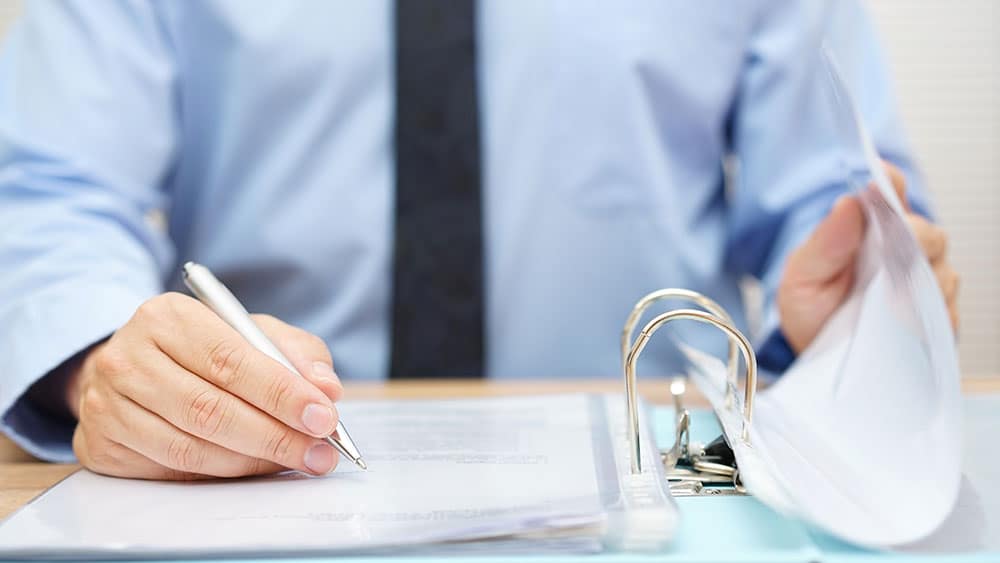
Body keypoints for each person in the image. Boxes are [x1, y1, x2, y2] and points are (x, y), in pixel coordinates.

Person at [0, 1, 959, 480]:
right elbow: (48, 194)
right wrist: (105, 362)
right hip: (260, 476)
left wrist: (853, 307)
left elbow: (832, 196)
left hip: (670, 471)